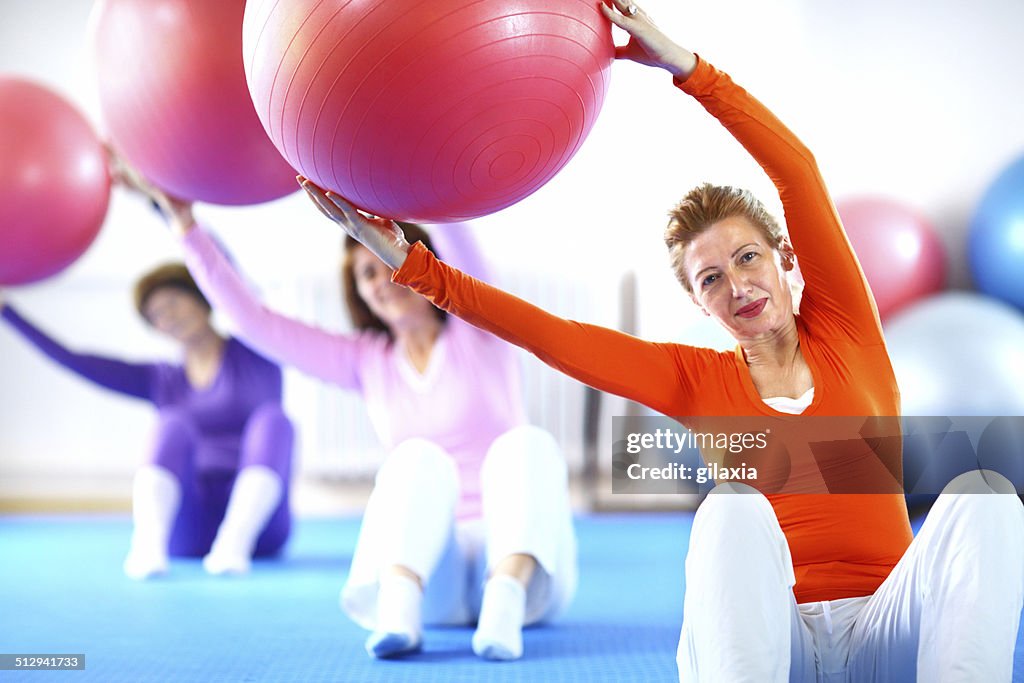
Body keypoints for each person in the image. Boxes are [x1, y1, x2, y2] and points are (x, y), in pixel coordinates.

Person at [297, 1, 1024, 680]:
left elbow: (795, 169)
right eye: (710, 279)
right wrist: (413, 267)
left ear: (785, 261)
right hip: (776, 643)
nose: (736, 285)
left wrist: (688, 69)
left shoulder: (849, 332)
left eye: (747, 259)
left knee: (987, 497)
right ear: (697, 302)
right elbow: (554, 337)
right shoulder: (693, 379)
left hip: (885, 635)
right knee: (731, 506)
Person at [122, 168, 577, 662]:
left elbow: (458, 237)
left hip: (524, 573)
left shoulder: (481, 328)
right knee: (414, 457)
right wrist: (186, 226)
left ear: (423, 260)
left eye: (390, 260)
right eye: (366, 273)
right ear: (357, 293)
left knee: (527, 444)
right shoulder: (366, 361)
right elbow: (254, 322)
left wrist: (422, 166)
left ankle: (502, 604)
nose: (384, 280)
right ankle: (399, 613)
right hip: (431, 575)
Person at [0, 263, 293, 580]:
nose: (168, 317)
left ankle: (234, 543)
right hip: (188, 530)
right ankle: (146, 548)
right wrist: (6, 311)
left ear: (202, 297)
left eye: (172, 303)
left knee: (274, 420)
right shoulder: (162, 379)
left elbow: (236, 284)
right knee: (171, 422)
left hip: (261, 532)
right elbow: (75, 360)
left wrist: (179, 222)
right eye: (156, 315)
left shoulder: (256, 350)